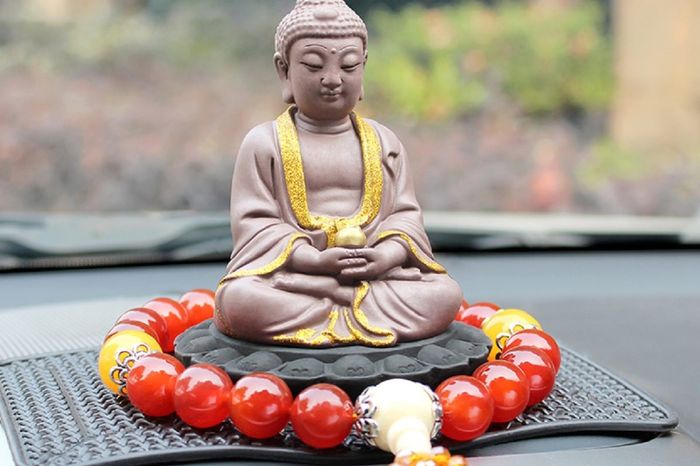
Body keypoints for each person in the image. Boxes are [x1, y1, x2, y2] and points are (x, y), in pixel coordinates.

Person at [215, 0, 462, 347]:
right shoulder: (263, 143)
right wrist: (313, 260)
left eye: (348, 66)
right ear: (284, 71)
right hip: (296, 275)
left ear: (364, 68)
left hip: (372, 278)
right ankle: (338, 299)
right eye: (314, 65)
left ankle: (336, 301)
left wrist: (385, 256)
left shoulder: (385, 142)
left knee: (444, 294)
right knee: (241, 300)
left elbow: (405, 216)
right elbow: (256, 225)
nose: (332, 79)